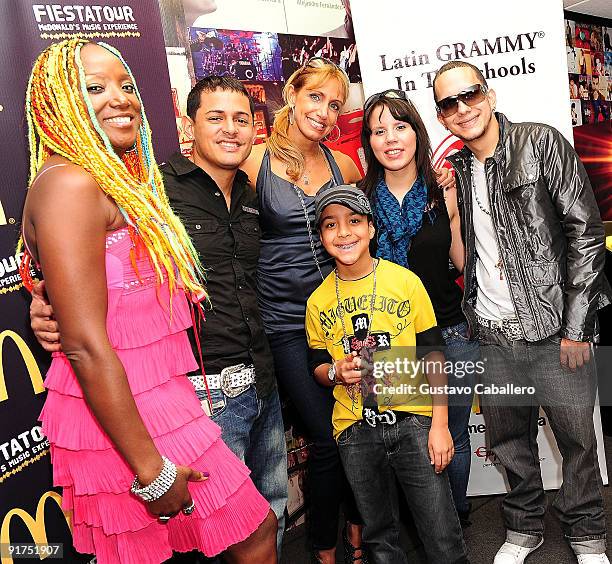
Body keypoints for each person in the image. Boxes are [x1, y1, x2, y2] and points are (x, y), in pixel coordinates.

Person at [20, 39, 276, 564]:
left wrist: (48, 306)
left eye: (126, 86)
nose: (121, 99)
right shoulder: (69, 183)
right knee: (251, 534)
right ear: (57, 98)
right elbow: (86, 344)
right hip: (122, 413)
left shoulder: (112, 182)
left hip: (158, 399)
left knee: (243, 533)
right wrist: (152, 471)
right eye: (95, 87)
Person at [433, 60, 611, 564]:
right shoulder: (460, 171)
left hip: (556, 329)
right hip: (492, 333)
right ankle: (523, 527)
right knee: (509, 441)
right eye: (449, 104)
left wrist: (577, 325)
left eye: (469, 96)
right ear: (442, 116)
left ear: (487, 95)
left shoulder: (541, 142)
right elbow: (470, 251)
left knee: (578, 441)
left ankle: (587, 534)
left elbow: (586, 233)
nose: (463, 109)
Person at [241, 56, 364, 564]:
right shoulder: (252, 161)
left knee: (359, 429)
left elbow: (362, 234)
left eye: (335, 105)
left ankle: (360, 534)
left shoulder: (345, 165)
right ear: (292, 93)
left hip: (341, 317)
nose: (325, 111)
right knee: (326, 435)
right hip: (288, 323)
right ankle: (322, 548)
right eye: (316, 97)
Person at [305, 184, 468, 564]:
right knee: (379, 538)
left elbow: (433, 356)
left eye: (354, 221)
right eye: (331, 225)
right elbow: (316, 365)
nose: (344, 232)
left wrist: (440, 424)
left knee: (441, 532)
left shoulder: (405, 282)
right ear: (321, 237)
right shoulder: (317, 301)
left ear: (372, 229)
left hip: (414, 422)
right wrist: (334, 372)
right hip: (355, 430)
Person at [359, 89, 479, 528]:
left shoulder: (444, 191)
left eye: (400, 126)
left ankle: (457, 521)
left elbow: (464, 261)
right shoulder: (360, 201)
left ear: (417, 132)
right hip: (386, 342)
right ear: (368, 142)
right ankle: (417, 529)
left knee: (454, 437)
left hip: (449, 334)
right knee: (395, 441)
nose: (391, 138)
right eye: (378, 130)